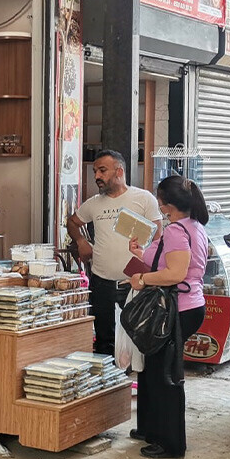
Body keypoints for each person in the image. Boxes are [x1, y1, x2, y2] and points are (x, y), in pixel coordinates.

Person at [125, 175, 209, 459]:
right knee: (153, 368)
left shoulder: (175, 230)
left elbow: (175, 273)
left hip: (176, 308)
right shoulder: (193, 226)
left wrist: (142, 279)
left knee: (166, 376)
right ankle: (150, 428)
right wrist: (140, 253)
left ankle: (171, 443)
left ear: (164, 203)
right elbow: (170, 260)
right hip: (189, 306)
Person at [67, 151, 163, 355]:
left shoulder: (144, 198)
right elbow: (72, 222)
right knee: (104, 340)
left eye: (102, 170)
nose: (97, 177)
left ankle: (135, 383)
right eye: (95, 172)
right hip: (102, 282)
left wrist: (148, 271)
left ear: (119, 171)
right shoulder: (93, 203)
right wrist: (81, 241)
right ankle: (109, 385)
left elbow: (157, 237)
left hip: (136, 283)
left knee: (138, 339)